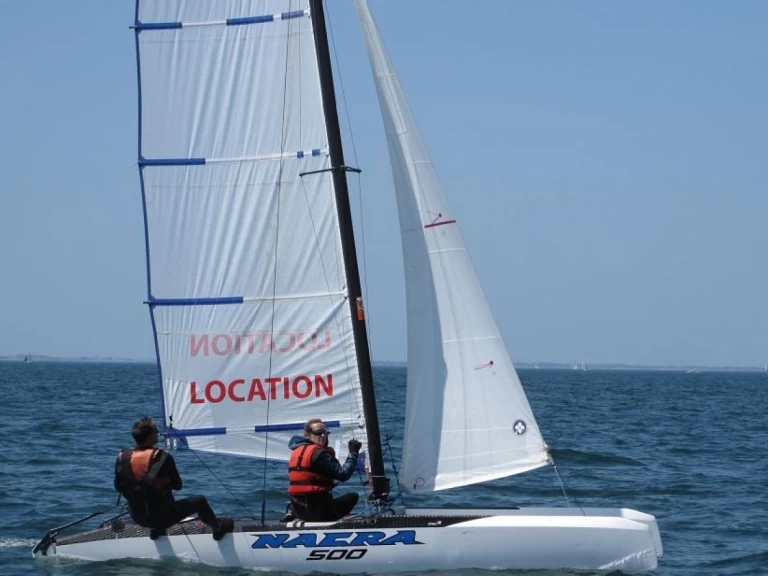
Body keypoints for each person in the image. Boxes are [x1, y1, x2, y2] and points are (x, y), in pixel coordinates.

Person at [114, 417, 234, 541]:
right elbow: (178, 485)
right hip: (164, 518)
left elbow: (118, 487)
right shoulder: (162, 457)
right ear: (150, 437)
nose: (159, 434)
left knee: (142, 495)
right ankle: (218, 529)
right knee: (200, 501)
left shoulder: (122, 457)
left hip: (138, 518)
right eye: (157, 431)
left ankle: (156, 530)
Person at [286, 418, 363, 522]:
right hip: (319, 512)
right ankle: (332, 523)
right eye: (318, 433)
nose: (322, 435)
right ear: (308, 435)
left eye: (325, 433)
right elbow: (343, 474)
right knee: (353, 496)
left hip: (299, 512)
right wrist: (353, 453)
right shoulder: (319, 454)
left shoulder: (296, 452)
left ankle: (291, 514)